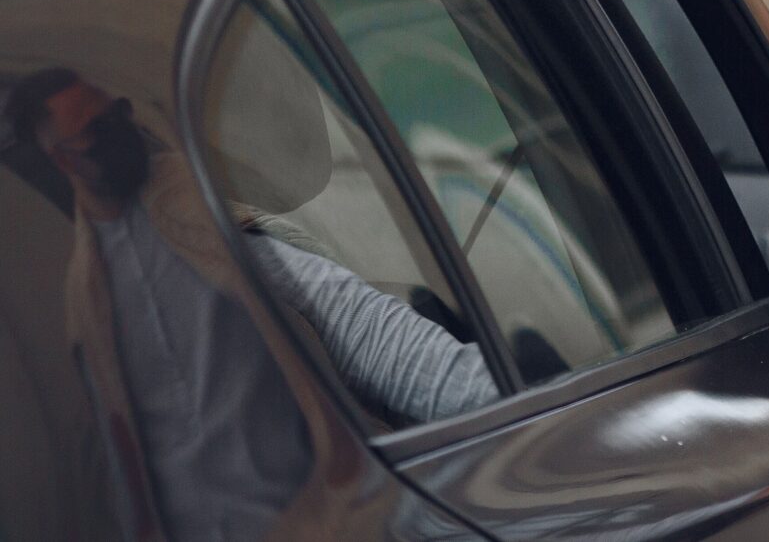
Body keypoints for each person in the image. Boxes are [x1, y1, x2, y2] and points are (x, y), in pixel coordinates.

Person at [7, 69, 496, 542]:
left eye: (118, 112)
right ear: (62, 160)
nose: (117, 131)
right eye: (95, 129)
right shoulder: (84, 301)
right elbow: (119, 467)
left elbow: (354, 322)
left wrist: (495, 400)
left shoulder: (199, 217)